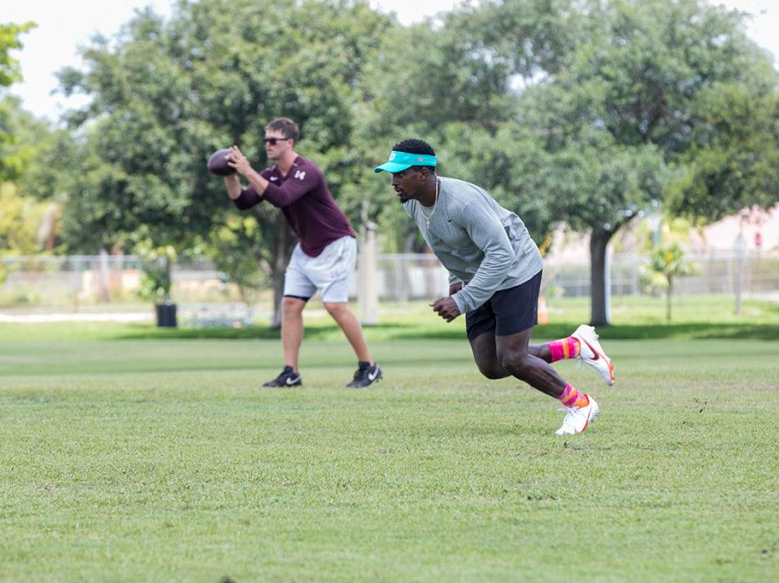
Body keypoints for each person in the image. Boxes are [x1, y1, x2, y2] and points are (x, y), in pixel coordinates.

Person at [374, 139, 614, 434]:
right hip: (480, 275)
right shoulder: (413, 204)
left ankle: (580, 405)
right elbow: (445, 246)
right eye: (392, 175)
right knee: (490, 364)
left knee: (513, 358)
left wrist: (463, 301)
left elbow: (502, 254)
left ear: (423, 173)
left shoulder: (463, 202)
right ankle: (576, 346)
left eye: (400, 174)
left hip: (515, 270)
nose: (393, 182)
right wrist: (455, 280)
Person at [224, 117, 381, 388]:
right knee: (291, 305)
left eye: (273, 140)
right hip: (307, 248)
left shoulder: (306, 171)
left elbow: (282, 198)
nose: (267, 145)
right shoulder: (271, 173)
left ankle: (369, 367)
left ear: (290, 142)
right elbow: (243, 202)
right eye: (265, 140)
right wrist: (229, 175)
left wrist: (249, 171)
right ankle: (290, 372)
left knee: (334, 306)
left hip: (335, 244)